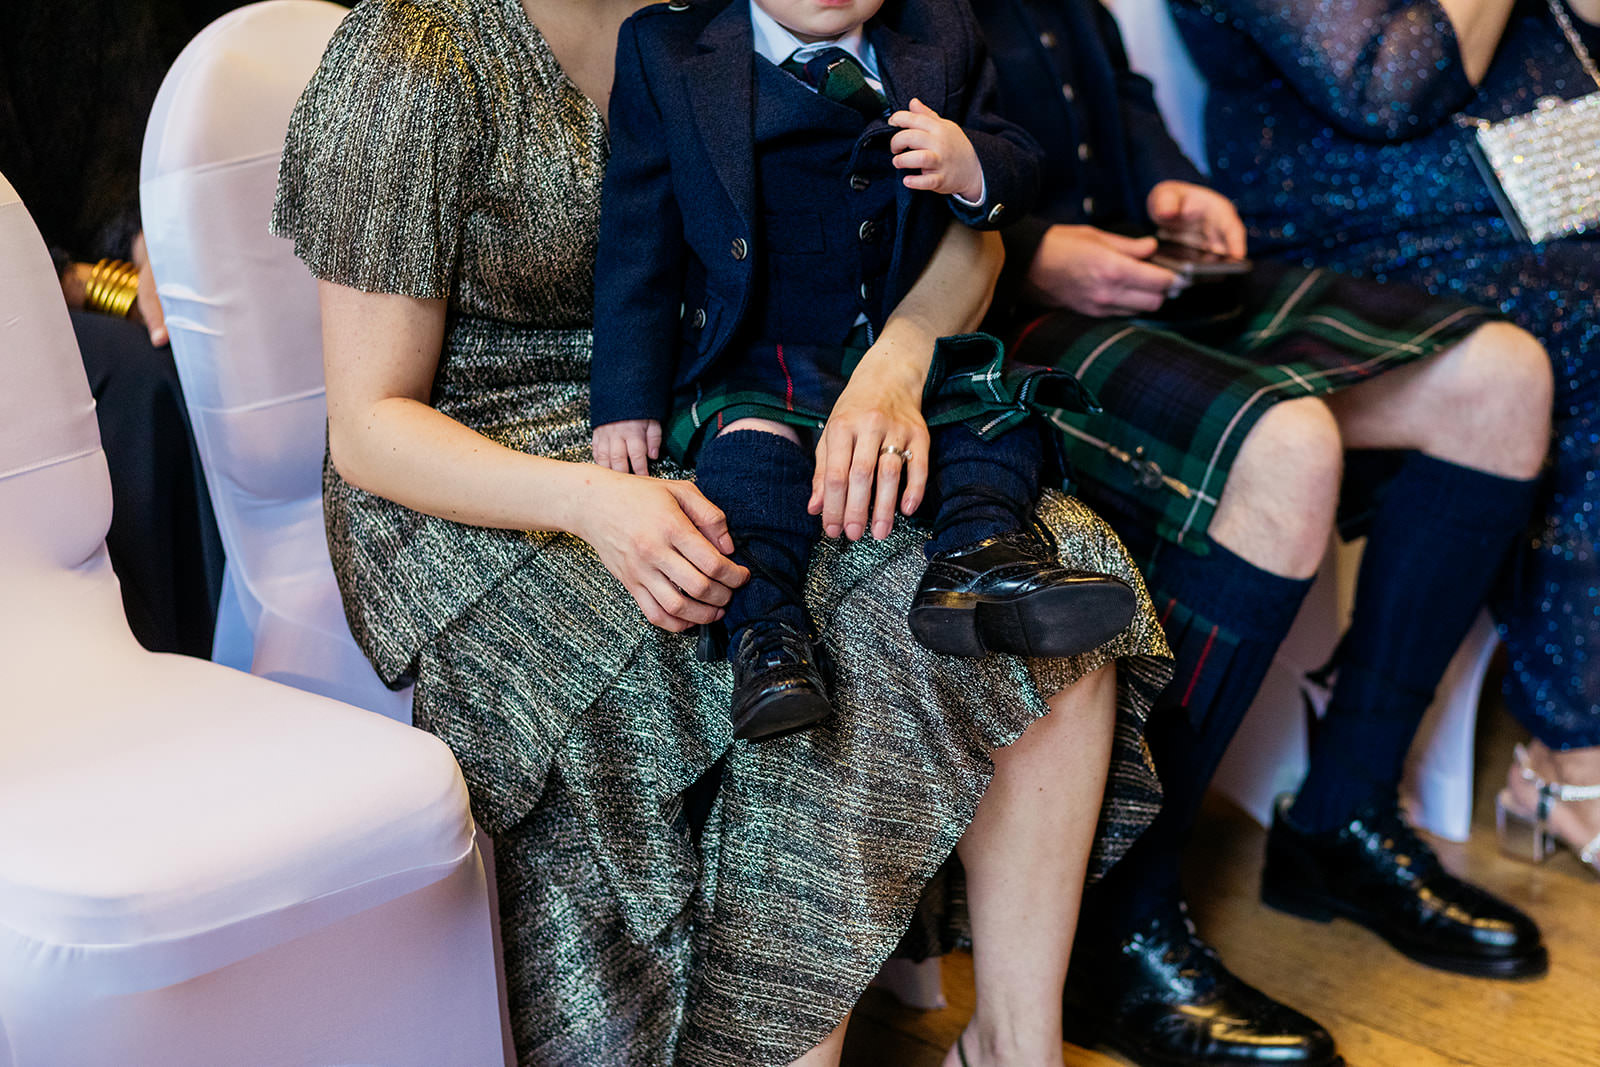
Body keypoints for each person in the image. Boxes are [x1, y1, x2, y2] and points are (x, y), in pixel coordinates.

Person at [270, 0, 1173, 1062]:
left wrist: (898, 361)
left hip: (730, 391)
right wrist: (593, 502)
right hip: (487, 470)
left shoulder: (773, 7)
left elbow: (962, 226)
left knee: (1051, 574)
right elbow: (370, 427)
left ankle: (1017, 1041)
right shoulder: (413, 54)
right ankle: (773, 1036)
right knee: (829, 638)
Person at [965, 0, 1557, 1063]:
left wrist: (1167, 185)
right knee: (1287, 448)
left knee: (1502, 380)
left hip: (1144, 286)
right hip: (1001, 327)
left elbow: (1123, 101)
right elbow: (858, 195)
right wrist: (1033, 253)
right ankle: (1121, 918)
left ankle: (1340, 814)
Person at [589, 0, 1135, 741]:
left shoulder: (940, 31)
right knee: (748, 459)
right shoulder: (667, 47)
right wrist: (625, 394)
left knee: (997, 422)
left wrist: (971, 166)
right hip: (763, 348)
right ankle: (768, 634)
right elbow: (635, 234)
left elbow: (1018, 160)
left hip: (892, 335)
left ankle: (977, 556)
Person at [1170, 0, 1600, 881]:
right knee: (1590, 332)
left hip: (1543, 210)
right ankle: (1570, 756)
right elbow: (1387, 86)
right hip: (1360, 242)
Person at [0, 0, 228, 657]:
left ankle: (250, 665)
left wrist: (151, 233)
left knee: (202, 339)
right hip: (25, 285)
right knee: (137, 382)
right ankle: (164, 667)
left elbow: (120, 136)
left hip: (79, 265)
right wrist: (79, 281)